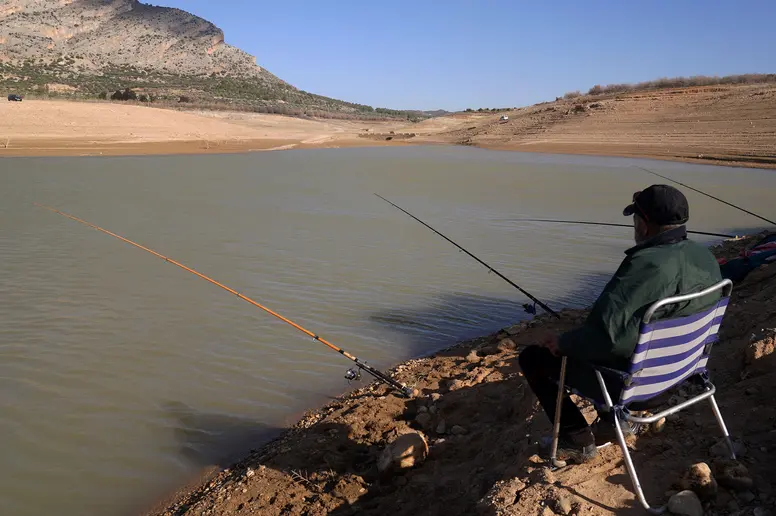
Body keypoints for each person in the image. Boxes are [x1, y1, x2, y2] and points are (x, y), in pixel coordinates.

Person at [518, 184, 723, 463]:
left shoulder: (643, 264)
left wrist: (563, 342)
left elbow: (608, 340)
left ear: (645, 223)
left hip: (641, 392)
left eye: (635, 219)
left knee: (533, 358)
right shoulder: (705, 256)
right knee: (621, 343)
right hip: (682, 375)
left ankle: (575, 439)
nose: (634, 226)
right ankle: (613, 423)